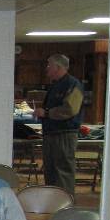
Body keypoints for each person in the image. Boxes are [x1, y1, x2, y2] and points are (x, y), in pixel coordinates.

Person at [33, 54, 84, 195]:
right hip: (51, 134)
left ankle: (65, 203)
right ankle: (53, 201)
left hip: (64, 134)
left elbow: (70, 109)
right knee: (50, 171)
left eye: (49, 65)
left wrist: (47, 113)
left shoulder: (73, 84)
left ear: (58, 67)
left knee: (63, 172)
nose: (46, 68)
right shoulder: (55, 85)